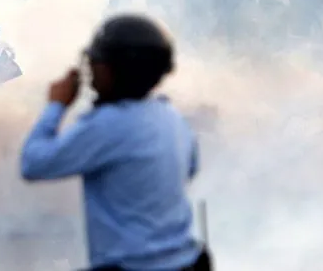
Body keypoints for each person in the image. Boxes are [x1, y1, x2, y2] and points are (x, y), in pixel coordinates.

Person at [20, 14, 211, 271]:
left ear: (116, 70)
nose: (92, 70)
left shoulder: (108, 124)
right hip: (184, 263)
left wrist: (57, 105)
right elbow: (190, 168)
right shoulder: (171, 116)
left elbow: (33, 163)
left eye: (99, 63)